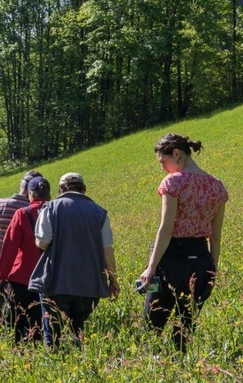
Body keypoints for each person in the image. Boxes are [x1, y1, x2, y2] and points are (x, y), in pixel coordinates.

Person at [138, 133, 228, 354]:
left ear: (176, 154)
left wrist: (150, 268)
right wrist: (212, 271)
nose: (162, 168)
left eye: (163, 161)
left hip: (171, 261)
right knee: (185, 329)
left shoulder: (174, 182)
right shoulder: (217, 186)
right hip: (201, 261)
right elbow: (215, 237)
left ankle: (151, 369)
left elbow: (166, 229)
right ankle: (182, 368)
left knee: (151, 327)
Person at [31, 172, 120, 348]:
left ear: (61, 189)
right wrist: (113, 280)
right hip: (89, 284)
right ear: (84, 189)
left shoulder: (51, 208)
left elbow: (42, 242)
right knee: (78, 329)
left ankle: (56, 364)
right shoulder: (99, 212)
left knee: (54, 331)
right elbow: (107, 250)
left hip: (56, 281)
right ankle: (77, 359)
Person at [0, 170, 43, 331]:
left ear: (21, 185)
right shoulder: (40, 209)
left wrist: (1, 226)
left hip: (2, 259)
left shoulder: (1, 204)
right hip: (32, 264)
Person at [0, 176, 51, 344]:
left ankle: (18, 355)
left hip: (21, 278)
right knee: (42, 325)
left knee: (16, 324)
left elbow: (9, 247)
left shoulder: (22, 214)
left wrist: (1, 275)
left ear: (30, 194)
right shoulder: (55, 212)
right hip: (48, 279)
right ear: (48, 193)